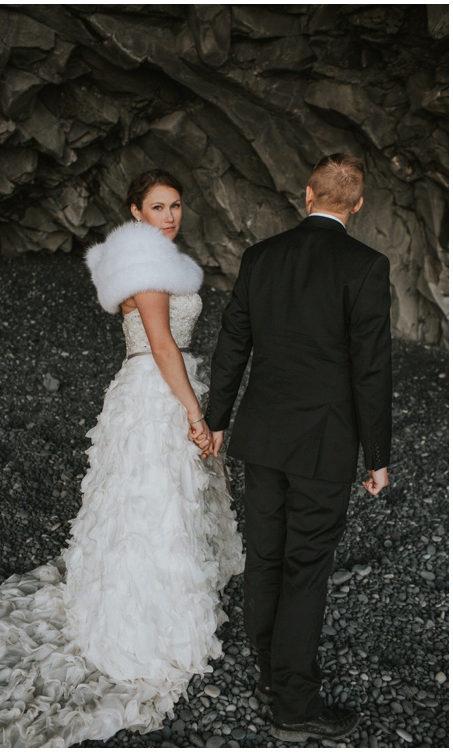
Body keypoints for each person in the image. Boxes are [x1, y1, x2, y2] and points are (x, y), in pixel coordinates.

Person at [0, 170, 244, 747]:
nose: (170, 215)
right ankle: (149, 617)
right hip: (162, 389)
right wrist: (194, 412)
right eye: (158, 206)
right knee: (154, 500)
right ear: (135, 211)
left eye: (176, 205)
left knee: (153, 499)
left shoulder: (145, 260)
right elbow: (162, 344)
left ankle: (154, 585)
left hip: (155, 385)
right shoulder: (148, 264)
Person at [205, 153, 392, 743]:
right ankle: (293, 704)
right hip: (324, 443)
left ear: (307, 193)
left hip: (261, 435)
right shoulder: (366, 266)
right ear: (357, 206)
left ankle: (268, 676)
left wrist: (216, 421)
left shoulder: (262, 257)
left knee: (265, 557)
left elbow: (233, 343)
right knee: (305, 570)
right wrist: (377, 457)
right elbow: (372, 370)